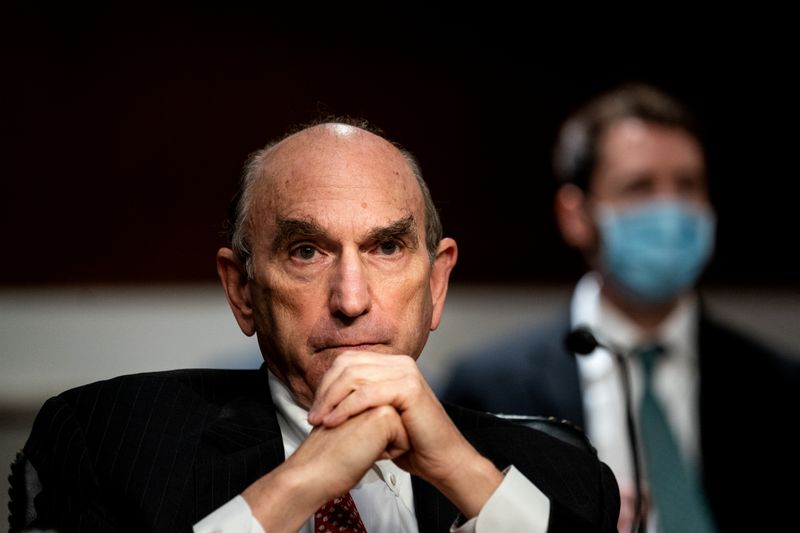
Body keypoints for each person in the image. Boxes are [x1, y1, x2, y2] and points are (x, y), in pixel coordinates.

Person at [9, 118, 620, 532]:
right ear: (241, 290)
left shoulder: (560, 475)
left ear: (436, 285)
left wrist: (463, 475)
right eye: (307, 251)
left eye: (386, 248)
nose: (351, 300)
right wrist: (303, 481)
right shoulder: (105, 441)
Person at [440, 83, 800, 532]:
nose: (670, 209)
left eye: (687, 185)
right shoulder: (488, 389)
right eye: (639, 187)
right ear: (576, 216)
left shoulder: (780, 387)